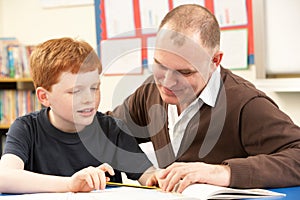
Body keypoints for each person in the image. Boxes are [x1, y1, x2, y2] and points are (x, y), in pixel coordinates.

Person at [107, 4, 300, 193]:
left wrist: (223, 172)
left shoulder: (245, 105)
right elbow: (105, 131)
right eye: (160, 65)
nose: (167, 82)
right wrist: (144, 171)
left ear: (215, 61)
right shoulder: (150, 92)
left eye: (184, 72)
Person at [0, 37, 155, 194]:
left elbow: (148, 175)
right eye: (76, 91)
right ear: (44, 97)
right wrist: (70, 185)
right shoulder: (26, 128)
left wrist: (163, 177)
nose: (89, 98)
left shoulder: (111, 129)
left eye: (94, 88)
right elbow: (4, 178)